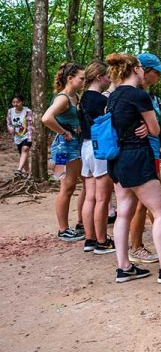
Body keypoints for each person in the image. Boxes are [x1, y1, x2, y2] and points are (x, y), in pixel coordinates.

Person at [105, 53, 161, 284]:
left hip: (116, 159)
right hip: (137, 158)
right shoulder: (138, 95)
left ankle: (124, 266)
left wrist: (144, 125)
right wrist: (147, 125)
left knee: (124, 211)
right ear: (136, 69)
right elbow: (156, 130)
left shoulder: (113, 96)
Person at [128, 53, 161, 265]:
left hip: (152, 151)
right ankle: (136, 247)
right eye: (156, 72)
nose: (159, 75)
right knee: (142, 203)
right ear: (145, 72)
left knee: (151, 201)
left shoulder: (146, 95)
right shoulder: (136, 94)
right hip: (145, 152)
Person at [41, 62, 86, 242]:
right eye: (81, 78)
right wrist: (63, 131)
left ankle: (81, 222)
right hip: (64, 148)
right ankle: (63, 229)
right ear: (70, 78)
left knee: (85, 183)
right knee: (67, 187)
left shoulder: (75, 96)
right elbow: (46, 118)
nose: (83, 81)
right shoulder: (63, 98)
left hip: (75, 146)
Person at [78, 60, 115, 254]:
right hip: (99, 148)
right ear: (100, 77)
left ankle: (90, 239)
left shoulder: (83, 98)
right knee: (102, 198)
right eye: (108, 76)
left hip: (86, 146)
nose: (110, 80)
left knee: (90, 197)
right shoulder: (101, 101)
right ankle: (102, 241)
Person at [7, 94, 33, 176]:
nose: (15, 104)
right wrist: (10, 128)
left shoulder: (28, 111)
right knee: (23, 154)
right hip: (17, 136)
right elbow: (9, 122)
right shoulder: (10, 111)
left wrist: (30, 137)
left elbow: (30, 125)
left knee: (25, 149)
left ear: (22, 102)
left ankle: (19, 169)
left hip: (27, 135)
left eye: (17, 102)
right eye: (13, 102)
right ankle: (27, 173)